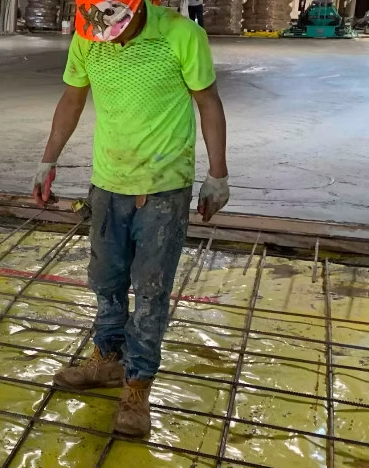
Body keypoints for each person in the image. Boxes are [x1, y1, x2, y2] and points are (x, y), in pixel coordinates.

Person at [32, 0, 230, 437]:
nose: (112, 39)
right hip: (107, 181)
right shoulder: (88, 34)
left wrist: (217, 174)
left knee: (151, 289)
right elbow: (72, 97)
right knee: (106, 280)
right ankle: (107, 359)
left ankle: (137, 386)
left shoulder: (181, 35)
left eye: (118, 29)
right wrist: (48, 162)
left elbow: (208, 102)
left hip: (163, 186)